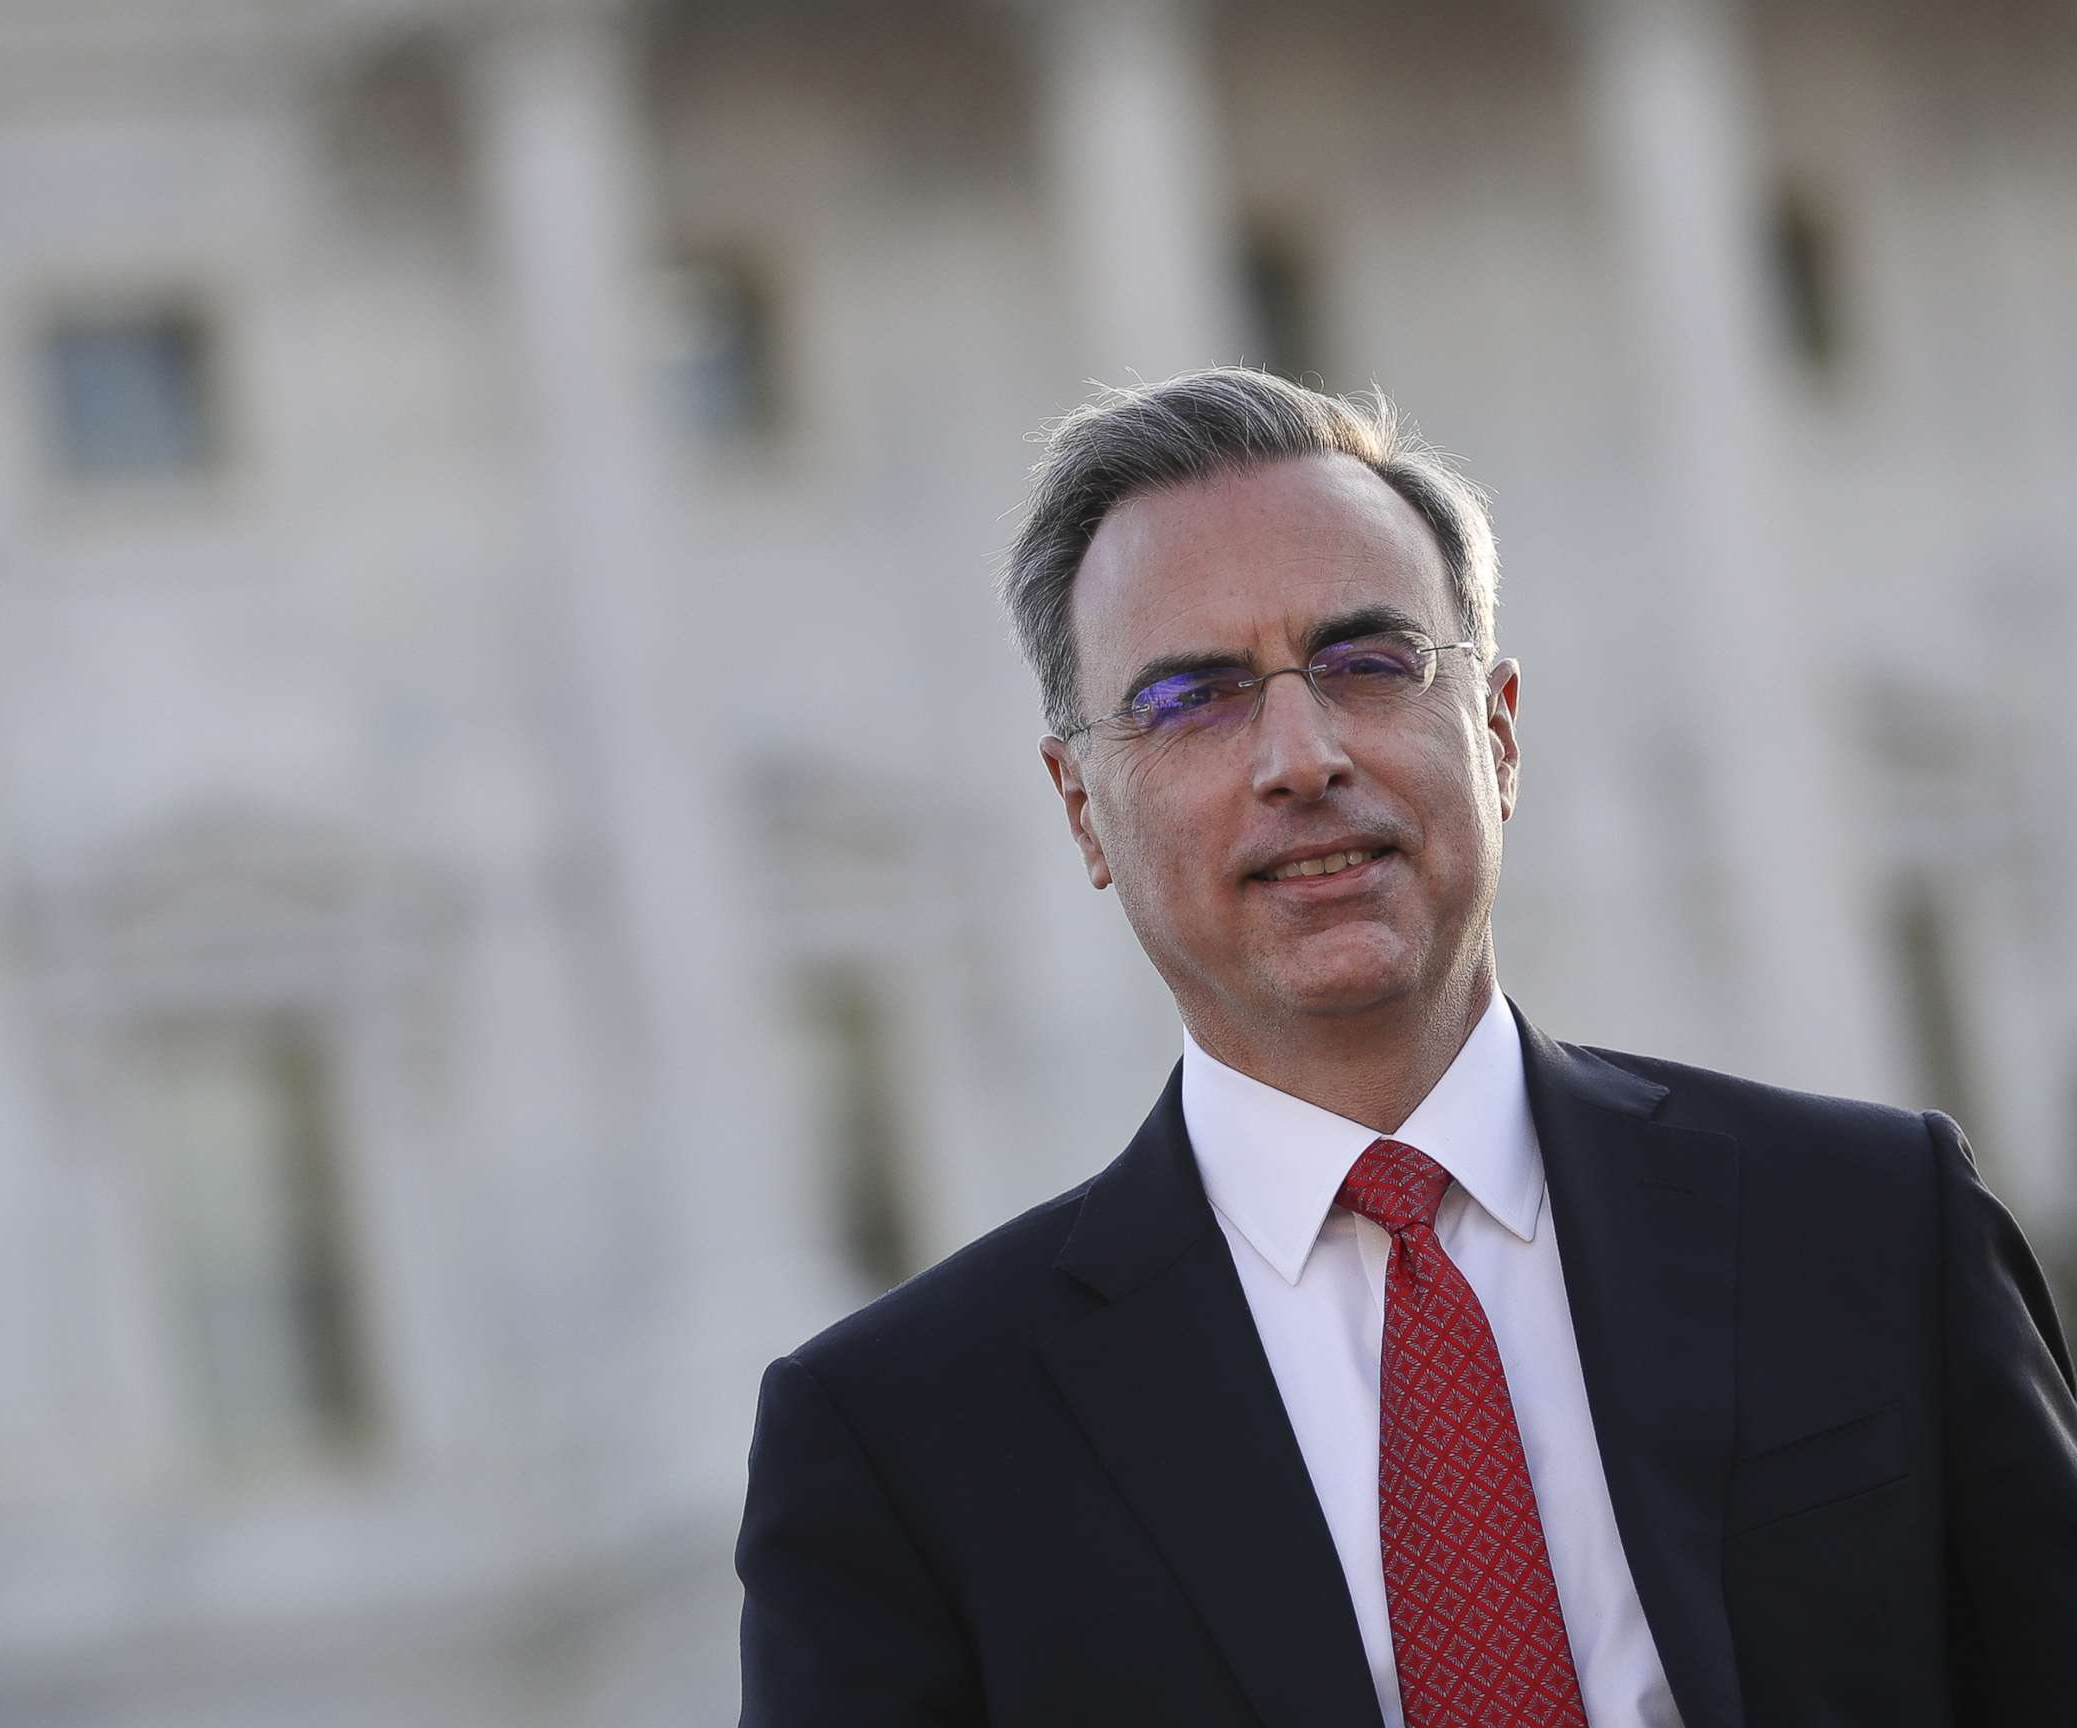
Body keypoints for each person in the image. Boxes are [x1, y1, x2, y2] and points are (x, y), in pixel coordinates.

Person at [733, 369, 2077, 1727]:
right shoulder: (903, 1445)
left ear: (1496, 733)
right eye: (1194, 698)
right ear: (1083, 806)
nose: (1301, 755)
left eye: (1366, 664)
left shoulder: (1872, 1225)